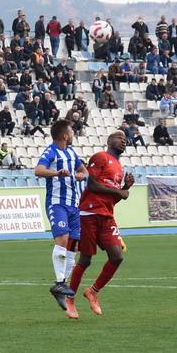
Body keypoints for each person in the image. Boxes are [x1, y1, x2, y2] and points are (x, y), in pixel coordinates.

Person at [64, 131, 134, 320]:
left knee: (117, 256)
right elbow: (93, 185)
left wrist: (124, 189)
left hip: (106, 215)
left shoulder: (119, 168)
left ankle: (93, 291)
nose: (124, 141)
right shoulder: (100, 157)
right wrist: (120, 192)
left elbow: (111, 199)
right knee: (85, 259)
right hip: (89, 213)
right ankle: (69, 299)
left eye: (125, 140)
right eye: (120, 139)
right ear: (109, 141)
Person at [34, 119, 88, 310]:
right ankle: (59, 282)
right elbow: (38, 170)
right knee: (62, 239)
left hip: (74, 205)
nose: (73, 133)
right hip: (58, 204)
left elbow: (84, 170)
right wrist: (56, 173)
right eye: (71, 131)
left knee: (73, 245)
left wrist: (82, 174)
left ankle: (61, 285)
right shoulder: (51, 152)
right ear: (65, 135)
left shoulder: (72, 153)